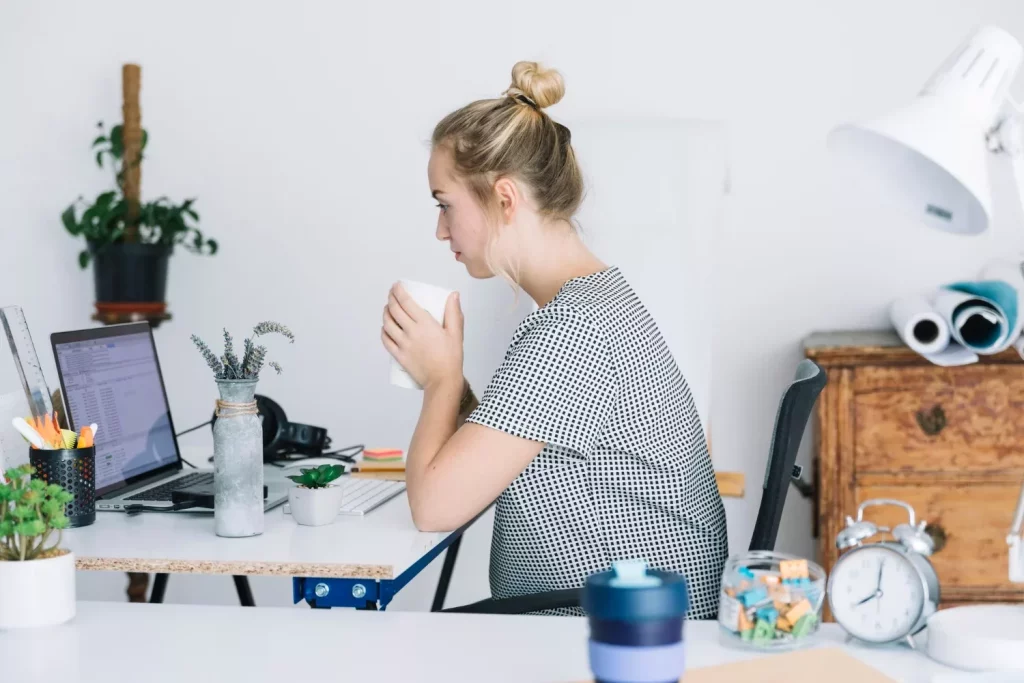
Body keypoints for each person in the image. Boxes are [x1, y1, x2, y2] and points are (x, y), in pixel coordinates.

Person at [380, 61, 728, 617]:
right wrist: (446, 375)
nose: (441, 230)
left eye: (445, 205)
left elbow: (434, 507)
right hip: (626, 615)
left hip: (609, 630)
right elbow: (517, 447)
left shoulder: (573, 331)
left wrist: (442, 379)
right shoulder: (597, 301)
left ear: (505, 198)